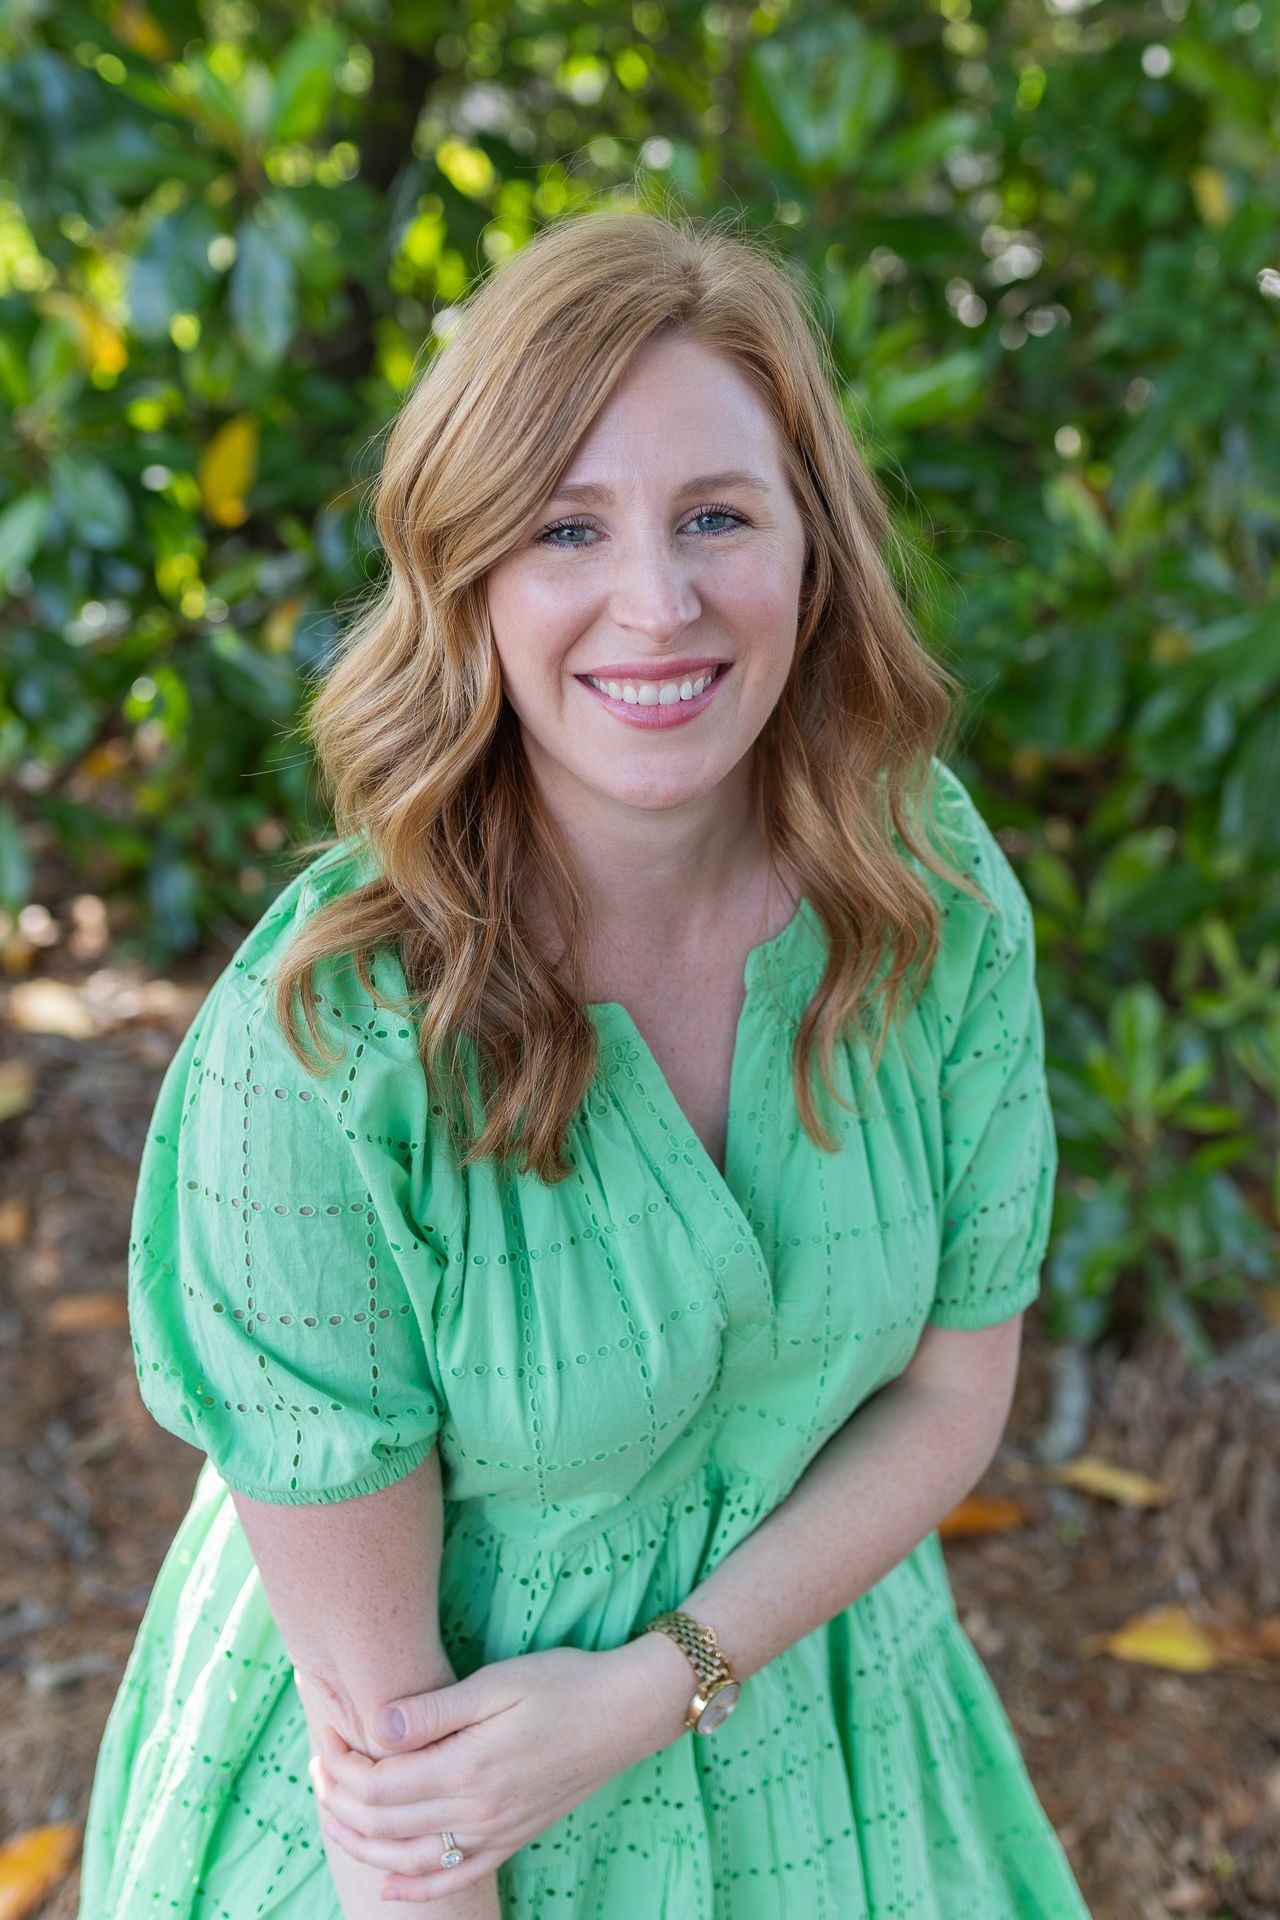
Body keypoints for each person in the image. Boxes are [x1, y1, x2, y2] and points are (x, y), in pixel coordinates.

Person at [77, 204, 1093, 1919]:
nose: (657, 601)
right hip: (427, 1823)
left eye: (717, 515)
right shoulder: (328, 1047)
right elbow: (400, 1804)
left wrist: (657, 1685)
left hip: (820, 1732)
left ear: (813, 549)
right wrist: (555, 1764)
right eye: (565, 527)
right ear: (467, 574)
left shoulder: (924, 892)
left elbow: (948, 1390)